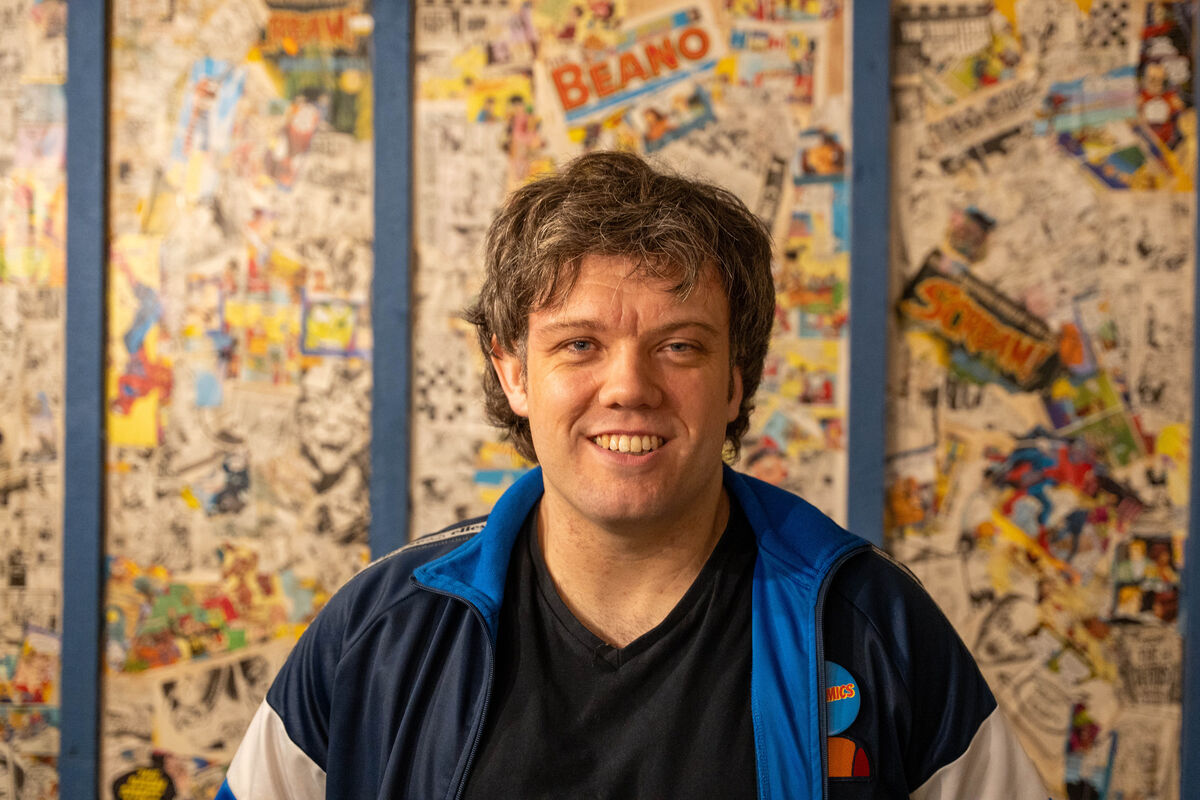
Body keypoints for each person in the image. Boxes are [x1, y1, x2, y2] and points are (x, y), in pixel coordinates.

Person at [217, 152, 1047, 799]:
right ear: (513, 373)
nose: (629, 388)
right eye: (579, 345)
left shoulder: (873, 627)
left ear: (736, 380)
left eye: (679, 346)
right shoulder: (378, 636)